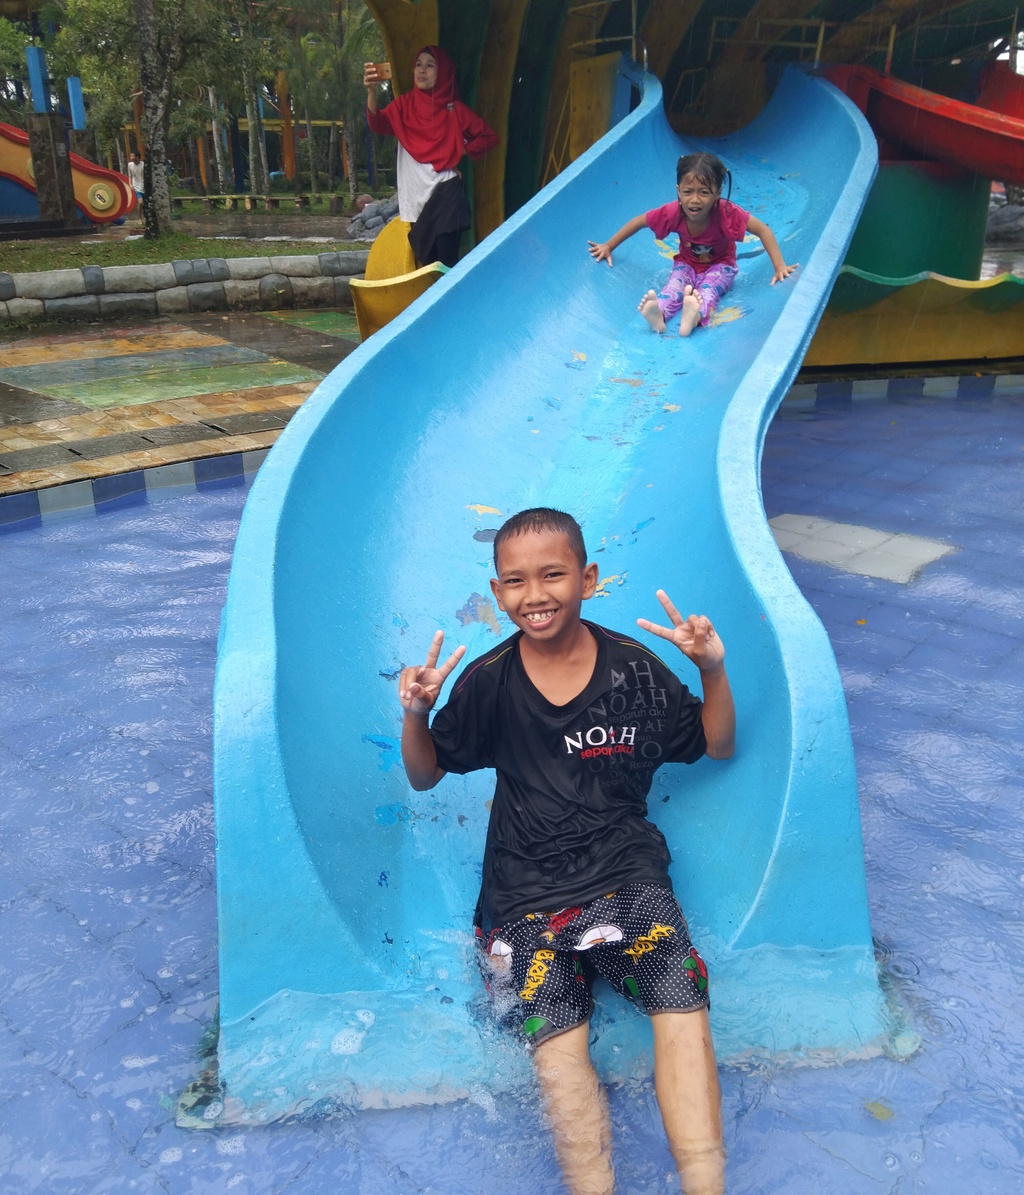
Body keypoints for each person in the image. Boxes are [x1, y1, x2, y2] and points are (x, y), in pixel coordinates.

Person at [399, 507, 735, 1195]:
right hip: (523, 889)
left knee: (681, 999)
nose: (535, 594)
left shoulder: (635, 670)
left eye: (553, 575)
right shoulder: (489, 681)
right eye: (515, 581)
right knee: (557, 1040)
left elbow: (716, 742)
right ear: (497, 592)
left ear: (588, 578)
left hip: (624, 869)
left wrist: (711, 670)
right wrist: (415, 715)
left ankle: (706, 1182)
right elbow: (426, 774)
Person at [588, 150, 798, 337]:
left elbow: (763, 230)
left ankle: (694, 316)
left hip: (721, 266)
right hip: (686, 264)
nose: (695, 200)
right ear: (678, 191)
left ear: (717, 193)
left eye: (704, 192)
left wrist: (779, 266)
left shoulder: (727, 213)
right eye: (688, 192)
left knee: (709, 291)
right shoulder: (673, 212)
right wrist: (609, 246)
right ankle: (659, 315)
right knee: (673, 287)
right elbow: (639, 221)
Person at [364, 46, 498, 268]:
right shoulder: (404, 106)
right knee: (426, 266)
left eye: (430, 65)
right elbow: (377, 123)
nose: (422, 70)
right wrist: (371, 92)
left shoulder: (454, 109)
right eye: (418, 64)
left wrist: (459, 150)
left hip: (446, 193)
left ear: (442, 72)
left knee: (445, 267)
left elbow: (489, 137)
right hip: (417, 199)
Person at [126, 150, 144, 220]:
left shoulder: (143, 164)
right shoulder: (130, 165)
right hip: (136, 186)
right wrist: (130, 184)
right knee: (140, 202)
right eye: (130, 156)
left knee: (144, 203)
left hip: (144, 185)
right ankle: (139, 218)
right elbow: (130, 176)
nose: (131, 158)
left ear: (137, 157)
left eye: (132, 156)